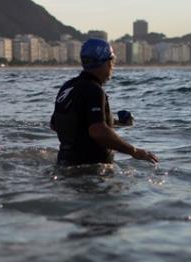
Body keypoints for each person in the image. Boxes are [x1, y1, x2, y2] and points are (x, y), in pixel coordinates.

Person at [50, 39, 158, 167]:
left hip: (65, 162)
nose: (113, 65)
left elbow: (56, 123)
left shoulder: (68, 87)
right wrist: (134, 151)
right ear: (105, 62)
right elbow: (98, 131)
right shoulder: (94, 90)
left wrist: (115, 122)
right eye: (112, 60)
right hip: (88, 170)